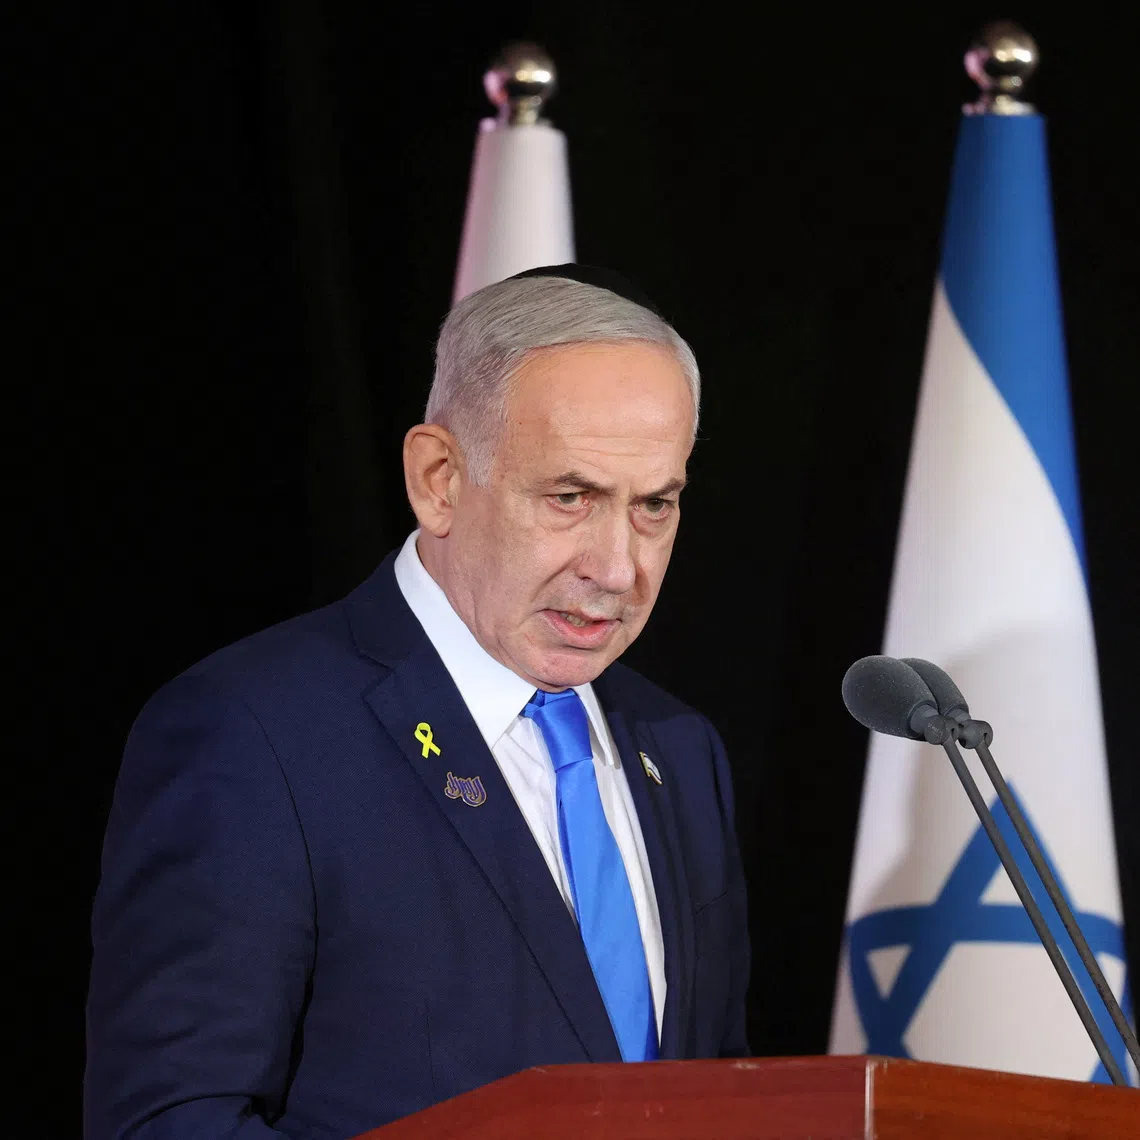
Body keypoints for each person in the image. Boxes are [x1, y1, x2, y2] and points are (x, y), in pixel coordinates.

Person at [85, 266, 750, 1140]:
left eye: (654, 506)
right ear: (439, 478)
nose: (618, 568)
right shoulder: (254, 734)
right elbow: (173, 1122)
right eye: (570, 498)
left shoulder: (680, 748)